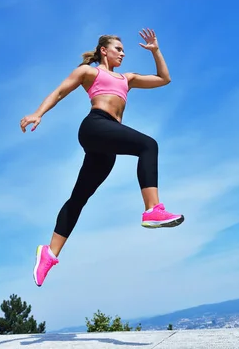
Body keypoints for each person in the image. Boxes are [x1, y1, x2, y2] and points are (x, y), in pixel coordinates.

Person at [20, 28, 184, 287]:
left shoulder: (126, 78)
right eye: (118, 48)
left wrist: (156, 51)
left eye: (123, 49)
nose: (123, 52)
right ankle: (152, 209)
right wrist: (38, 113)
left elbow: (164, 78)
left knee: (78, 199)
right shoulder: (89, 72)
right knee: (148, 145)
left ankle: (49, 254)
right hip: (96, 126)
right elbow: (60, 91)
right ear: (104, 51)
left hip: (106, 148)